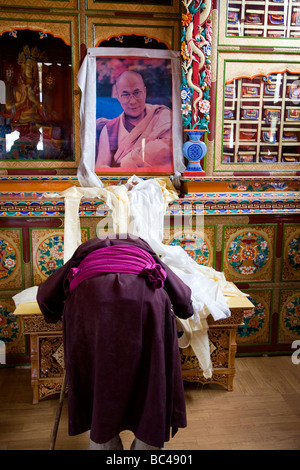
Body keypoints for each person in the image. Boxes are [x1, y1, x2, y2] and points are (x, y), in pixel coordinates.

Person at [37, 233, 193, 450]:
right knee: (150, 375)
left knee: (96, 374)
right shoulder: (146, 252)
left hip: (89, 300)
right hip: (146, 301)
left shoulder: (84, 252)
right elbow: (184, 299)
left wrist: (53, 314)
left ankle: (104, 442)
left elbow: (45, 297)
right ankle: (146, 444)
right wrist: (185, 310)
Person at [95, 71, 173, 170]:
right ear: (118, 97)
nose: (132, 101)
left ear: (144, 92)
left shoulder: (162, 117)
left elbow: (168, 150)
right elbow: (100, 168)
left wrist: (128, 162)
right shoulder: (110, 129)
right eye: (125, 95)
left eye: (137, 93)